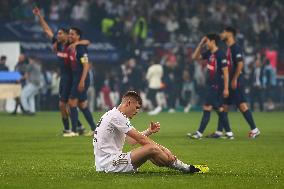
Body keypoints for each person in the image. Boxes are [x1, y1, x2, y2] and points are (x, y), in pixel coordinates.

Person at [93, 91, 209, 173]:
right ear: (128, 103)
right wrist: (164, 150)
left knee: (152, 150)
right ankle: (186, 168)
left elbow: (132, 141)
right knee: (151, 149)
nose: (137, 111)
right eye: (137, 107)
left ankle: (178, 164)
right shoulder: (117, 117)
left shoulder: (114, 114)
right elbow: (141, 140)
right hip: (109, 164)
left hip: (106, 162)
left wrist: (149, 131)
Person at [33, 7, 90, 136]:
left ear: (66, 35)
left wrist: (77, 43)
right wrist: (39, 16)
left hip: (71, 78)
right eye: (57, 34)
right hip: (63, 78)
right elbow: (47, 30)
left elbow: (87, 42)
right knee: (63, 105)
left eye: (60, 34)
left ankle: (73, 129)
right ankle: (75, 127)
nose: (57, 35)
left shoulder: (71, 43)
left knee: (67, 104)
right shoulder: (58, 44)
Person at [210, 26, 260, 138]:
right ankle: (219, 131)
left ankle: (255, 129)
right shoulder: (229, 48)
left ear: (230, 34)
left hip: (235, 82)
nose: (221, 34)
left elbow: (240, 65)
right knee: (224, 106)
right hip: (231, 82)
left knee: (242, 105)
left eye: (223, 32)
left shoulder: (235, 48)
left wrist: (234, 79)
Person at [187, 34, 233, 139]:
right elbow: (194, 57)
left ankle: (199, 133)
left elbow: (225, 73)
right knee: (219, 109)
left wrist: (226, 88)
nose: (206, 43)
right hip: (210, 85)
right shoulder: (209, 53)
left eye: (207, 41)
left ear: (213, 41)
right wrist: (200, 44)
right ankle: (229, 133)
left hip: (216, 86)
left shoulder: (220, 54)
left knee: (208, 107)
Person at [67, 27, 97, 136]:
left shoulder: (80, 48)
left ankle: (74, 130)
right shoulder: (73, 46)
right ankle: (95, 129)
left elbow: (86, 65)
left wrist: (82, 81)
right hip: (76, 78)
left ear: (78, 36)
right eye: (69, 34)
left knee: (72, 103)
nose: (70, 36)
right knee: (82, 105)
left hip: (81, 78)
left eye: (73, 34)